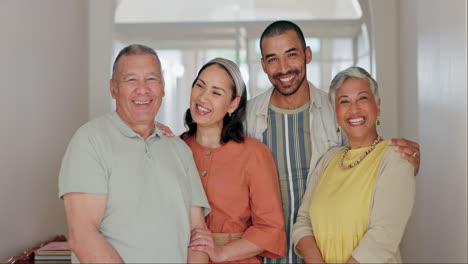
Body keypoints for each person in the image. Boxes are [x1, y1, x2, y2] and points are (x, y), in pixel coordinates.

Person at [245, 20, 420, 263]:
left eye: (291, 54)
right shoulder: (246, 117)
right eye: (272, 59)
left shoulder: (333, 108)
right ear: (263, 65)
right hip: (269, 254)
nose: (283, 68)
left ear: (308, 54)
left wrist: (404, 161)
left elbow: (368, 157)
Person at [58, 44, 210, 263]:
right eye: (131, 80)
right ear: (113, 88)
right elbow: (83, 237)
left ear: (163, 87)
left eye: (151, 79)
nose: (143, 89)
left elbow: (198, 235)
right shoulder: (90, 141)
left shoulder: (179, 149)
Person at [292, 66, 415, 263]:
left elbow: (383, 236)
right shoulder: (328, 159)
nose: (354, 109)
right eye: (344, 101)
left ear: (378, 106)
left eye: (362, 98)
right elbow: (303, 222)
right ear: (336, 112)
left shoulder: (395, 158)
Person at [183, 58, 286, 263]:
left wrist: (221, 253)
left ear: (233, 104)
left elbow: (270, 228)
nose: (203, 97)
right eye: (200, 86)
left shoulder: (254, 153)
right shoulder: (176, 148)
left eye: (216, 92)